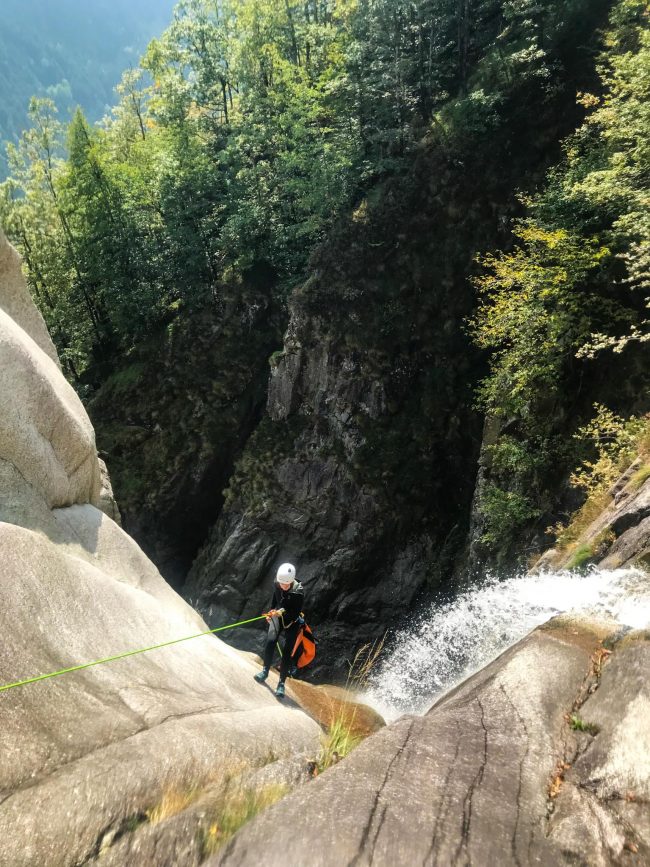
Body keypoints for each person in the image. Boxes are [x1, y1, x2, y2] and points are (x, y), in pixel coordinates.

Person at [254, 562, 304, 698]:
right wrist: (272, 612)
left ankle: (281, 683)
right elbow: (275, 601)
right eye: (281, 584)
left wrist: (281, 612)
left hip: (292, 622)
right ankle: (265, 671)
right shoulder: (278, 582)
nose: (283, 586)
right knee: (270, 641)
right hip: (278, 615)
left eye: (286, 585)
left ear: (291, 581)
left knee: (287, 651)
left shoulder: (298, 592)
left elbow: (295, 614)